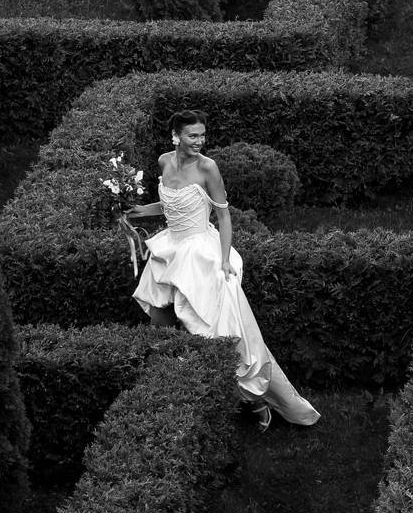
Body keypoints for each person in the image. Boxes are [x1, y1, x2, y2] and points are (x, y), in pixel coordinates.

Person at [127, 109, 319, 431]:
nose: (199, 141)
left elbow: (223, 216)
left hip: (201, 254)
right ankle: (169, 392)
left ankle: (254, 399)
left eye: (202, 135)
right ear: (175, 136)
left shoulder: (208, 168)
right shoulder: (164, 162)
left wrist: (225, 259)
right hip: (171, 249)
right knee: (159, 325)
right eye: (192, 135)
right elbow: (171, 204)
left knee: (217, 333)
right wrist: (139, 211)